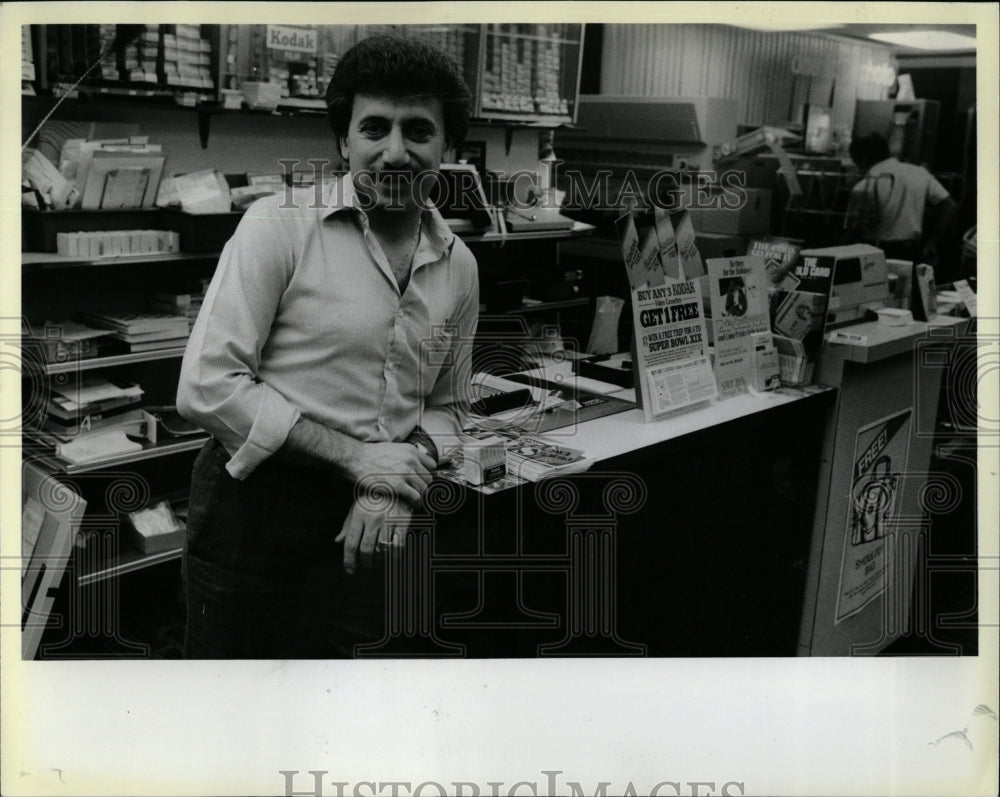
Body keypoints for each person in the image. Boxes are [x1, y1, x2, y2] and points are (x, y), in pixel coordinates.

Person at [176, 35, 479, 658]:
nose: (394, 153)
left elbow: (450, 406)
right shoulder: (277, 226)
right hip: (254, 514)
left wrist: (394, 478)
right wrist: (359, 459)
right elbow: (207, 386)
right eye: (375, 129)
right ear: (345, 141)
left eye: (418, 131)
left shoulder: (460, 267)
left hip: (373, 519)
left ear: (448, 147)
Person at [847, 132, 957, 264]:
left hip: (875, 250)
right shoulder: (919, 172)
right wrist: (932, 242)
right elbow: (949, 206)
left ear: (863, 159)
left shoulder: (864, 186)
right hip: (911, 250)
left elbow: (857, 226)